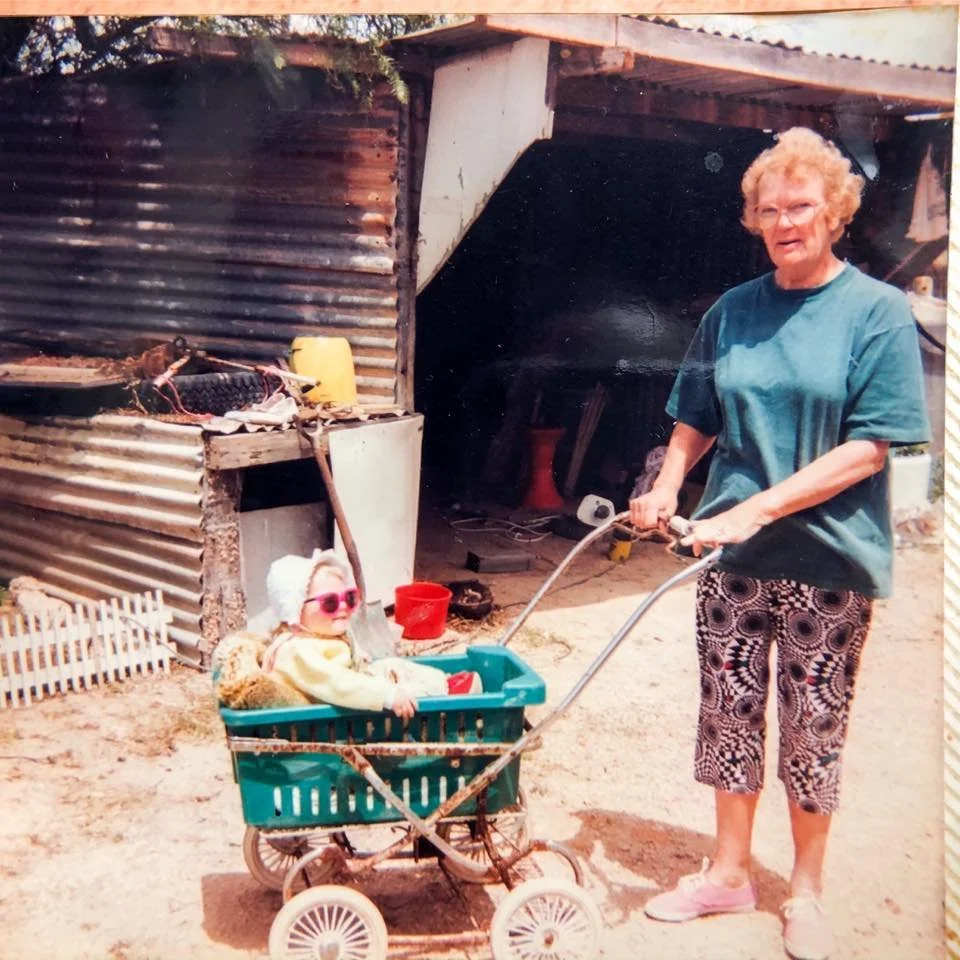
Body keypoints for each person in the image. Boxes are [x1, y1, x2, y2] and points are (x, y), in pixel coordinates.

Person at [630, 127, 930, 960]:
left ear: (835, 212)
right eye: (769, 209)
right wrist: (665, 486)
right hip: (732, 555)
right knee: (728, 714)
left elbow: (875, 446)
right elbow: (694, 413)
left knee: (813, 726)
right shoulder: (733, 311)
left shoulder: (877, 312)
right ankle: (728, 872)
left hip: (830, 557)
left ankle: (805, 892)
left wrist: (756, 508)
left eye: (801, 206)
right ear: (754, 219)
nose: (784, 222)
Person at [215, 549, 481, 716]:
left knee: (390, 665)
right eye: (329, 602)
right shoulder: (296, 651)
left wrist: (359, 657)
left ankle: (445, 685)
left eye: (349, 598)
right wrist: (387, 696)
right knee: (395, 687)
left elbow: (344, 666)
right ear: (295, 615)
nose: (343, 607)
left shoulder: (319, 635)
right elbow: (337, 683)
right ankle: (444, 701)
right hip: (330, 719)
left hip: (344, 698)